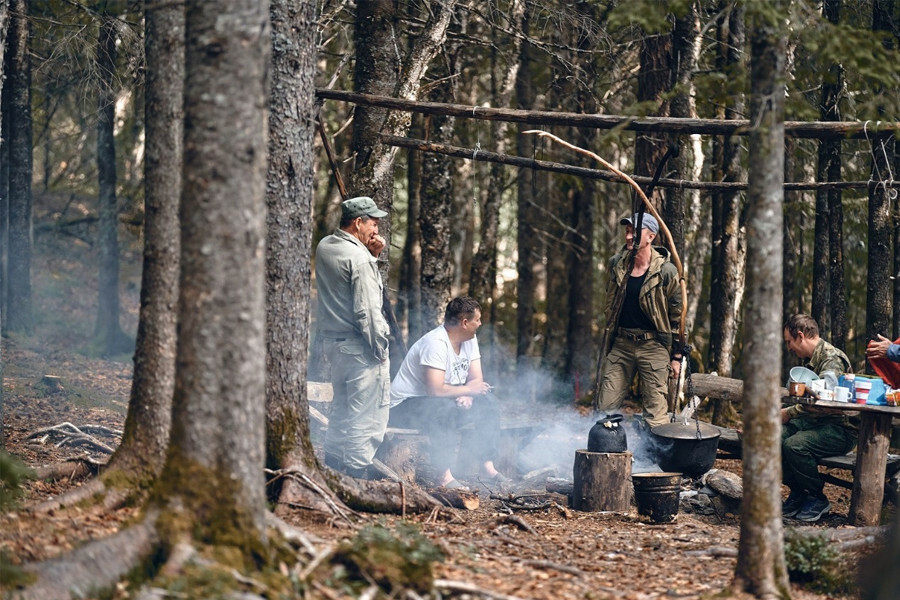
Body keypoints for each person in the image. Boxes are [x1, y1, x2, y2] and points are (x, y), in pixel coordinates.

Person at [389, 296, 508, 489]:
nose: (480, 323)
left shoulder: (469, 339)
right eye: (477, 319)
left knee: (489, 403)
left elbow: (476, 379)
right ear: (464, 322)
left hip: (440, 399)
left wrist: (468, 394)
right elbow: (434, 390)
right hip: (404, 407)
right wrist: (467, 390)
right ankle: (443, 475)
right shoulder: (435, 343)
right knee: (443, 409)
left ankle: (487, 466)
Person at [315, 196, 391, 479]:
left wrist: (371, 255)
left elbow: (343, 286)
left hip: (335, 347)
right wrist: (380, 348)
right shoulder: (359, 259)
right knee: (367, 418)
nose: (377, 229)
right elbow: (367, 311)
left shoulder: (325, 246)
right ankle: (358, 483)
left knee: (342, 413)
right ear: (358, 223)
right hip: (361, 348)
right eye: (373, 223)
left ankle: (334, 476)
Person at [596, 213, 683, 428]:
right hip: (622, 344)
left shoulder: (667, 271)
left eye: (635, 232)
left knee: (656, 416)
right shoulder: (617, 265)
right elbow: (610, 303)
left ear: (650, 236)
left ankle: (654, 460)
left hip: (653, 346)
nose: (628, 236)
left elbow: (679, 318)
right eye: (627, 231)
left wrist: (677, 356)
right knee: (604, 409)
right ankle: (608, 456)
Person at [781, 314, 856, 522]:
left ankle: (816, 497)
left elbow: (823, 402)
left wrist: (789, 413)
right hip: (814, 422)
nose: (789, 347)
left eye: (789, 341)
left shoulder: (832, 359)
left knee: (795, 445)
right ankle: (798, 492)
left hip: (840, 428)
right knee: (773, 437)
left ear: (801, 336)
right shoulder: (810, 361)